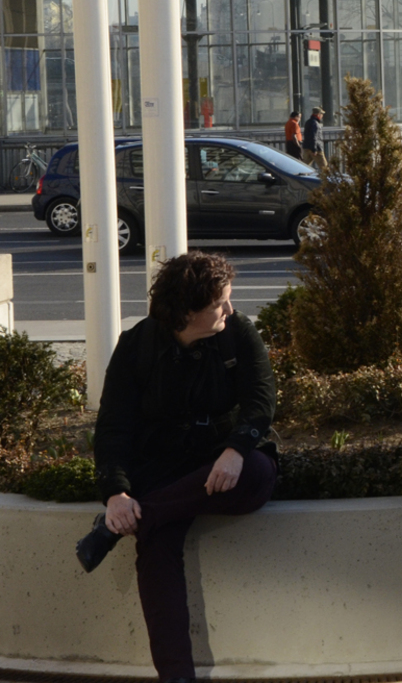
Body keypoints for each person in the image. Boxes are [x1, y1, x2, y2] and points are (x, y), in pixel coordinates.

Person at [74, 251, 277, 683]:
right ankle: (177, 676)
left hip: (226, 458)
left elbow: (261, 403)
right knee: (156, 545)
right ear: (187, 313)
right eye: (218, 304)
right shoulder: (137, 345)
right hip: (163, 466)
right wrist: (116, 492)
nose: (229, 309)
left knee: (258, 475)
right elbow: (113, 427)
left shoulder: (237, 332)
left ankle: (121, 525)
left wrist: (237, 449)